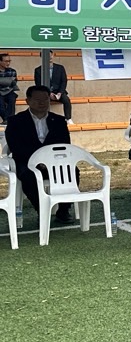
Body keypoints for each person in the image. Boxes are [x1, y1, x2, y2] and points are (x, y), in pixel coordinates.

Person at [5, 85, 73, 222]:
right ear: (28, 101)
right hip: (27, 162)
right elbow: (16, 146)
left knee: (72, 172)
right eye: (37, 100)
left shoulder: (59, 121)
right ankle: (42, 210)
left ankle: (63, 210)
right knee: (28, 176)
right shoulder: (15, 121)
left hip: (53, 162)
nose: (42, 103)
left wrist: (49, 161)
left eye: (45, 99)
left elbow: (64, 145)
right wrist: (38, 161)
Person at [33, 52, 72, 122]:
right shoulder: (38, 70)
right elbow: (38, 84)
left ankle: (68, 118)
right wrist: (49, 93)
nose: (50, 57)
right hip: (45, 92)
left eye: (51, 55)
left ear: (53, 55)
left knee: (66, 100)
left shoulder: (60, 68)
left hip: (58, 91)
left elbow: (64, 81)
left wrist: (60, 93)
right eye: (47, 55)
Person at [0, 52, 18, 125]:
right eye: (6, 61)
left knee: (12, 98)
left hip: (9, 90)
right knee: (0, 103)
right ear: (0, 61)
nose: (8, 63)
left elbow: (14, 83)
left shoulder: (12, 71)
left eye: (9, 61)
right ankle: (7, 119)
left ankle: (8, 120)